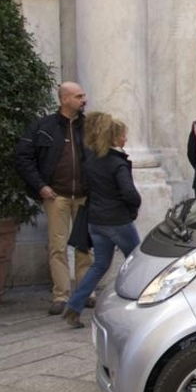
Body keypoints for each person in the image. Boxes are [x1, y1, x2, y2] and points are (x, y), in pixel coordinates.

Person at [14, 82, 94, 315]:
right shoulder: (43, 126)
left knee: (84, 247)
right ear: (65, 99)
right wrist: (41, 186)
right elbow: (23, 157)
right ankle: (60, 295)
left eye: (83, 95)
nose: (83, 99)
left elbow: (101, 155)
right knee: (57, 247)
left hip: (83, 197)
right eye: (79, 96)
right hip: (55, 196)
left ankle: (85, 291)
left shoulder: (89, 126)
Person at [63, 113, 141, 328]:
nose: (125, 138)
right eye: (123, 135)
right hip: (117, 220)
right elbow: (130, 194)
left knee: (99, 265)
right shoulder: (117, 163)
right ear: (115, 138)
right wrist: (133, 207)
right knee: (138, 261)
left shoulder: (92, 161)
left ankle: (74, 306)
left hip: (95, 220)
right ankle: (140, 304)